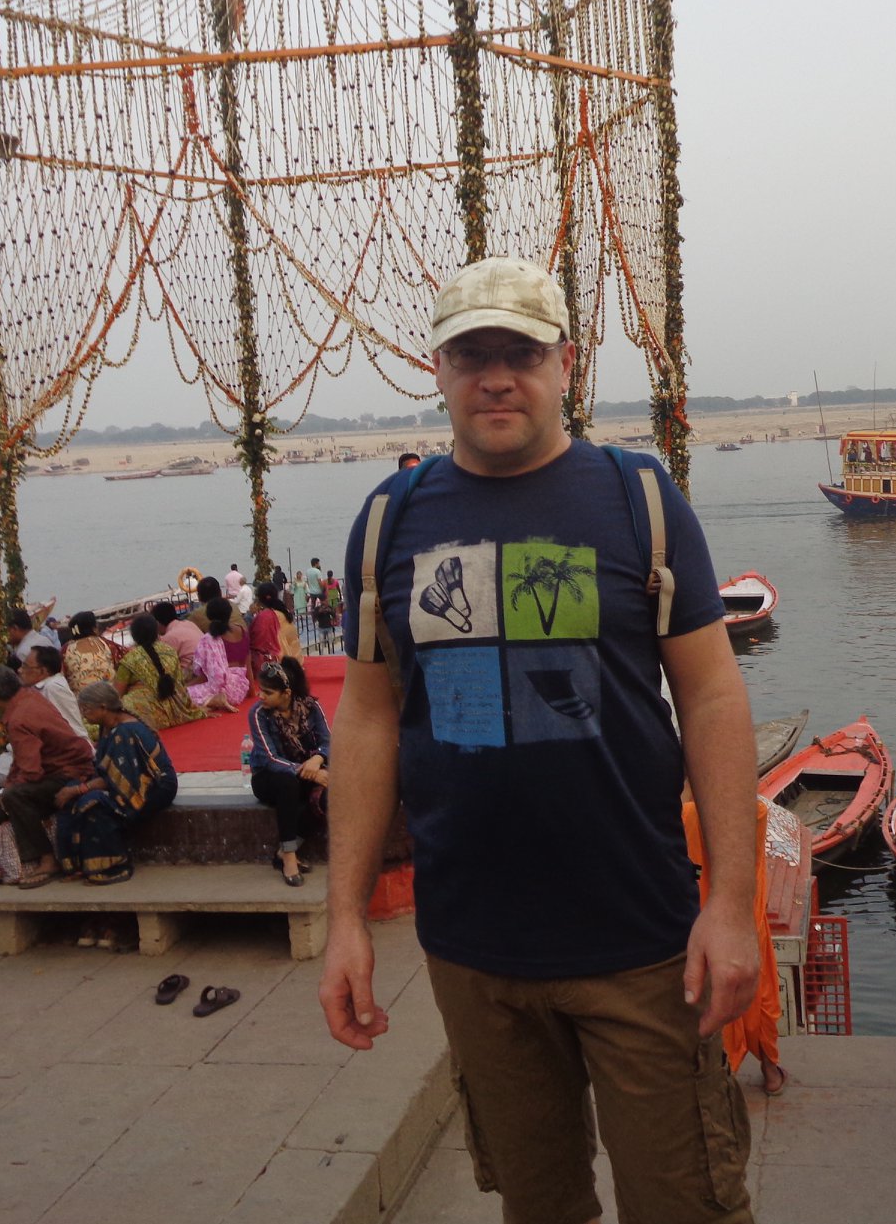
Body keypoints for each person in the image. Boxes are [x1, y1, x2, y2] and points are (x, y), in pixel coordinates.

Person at [319, 256, 760, 1223]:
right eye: (471, 355)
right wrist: (344, 915)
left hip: (641, 942)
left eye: (519, 353)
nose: (496, 378)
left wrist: (732, 904)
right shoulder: (391, 521)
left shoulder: (639, 499)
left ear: (566, 364)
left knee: (685, 1200)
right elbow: (368, 717)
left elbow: (712, 697)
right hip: (475, 953)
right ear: (438, 369)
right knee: (537, 1202)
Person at [0, 665, 95, 889]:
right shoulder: (29, 697)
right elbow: (22, 761)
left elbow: (30, 772)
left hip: (70, 773)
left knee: (13, 796)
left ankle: (46, 859)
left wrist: (7, 790)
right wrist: (7, 785)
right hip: (57, 770)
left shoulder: (19, 717)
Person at [683, 794, 784, 1095]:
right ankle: (770, 1070)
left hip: (696, 920)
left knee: (705, 997)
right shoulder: (752, 812)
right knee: (759, 994)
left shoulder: (676, 817)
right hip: (743, 921)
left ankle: (719, 1072)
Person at [55, 682, 179, 885]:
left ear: (103, 707)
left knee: (93, 803)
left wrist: (80, 789)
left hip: (154, 788)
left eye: (86, 709)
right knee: (70, 795)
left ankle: (112, 867)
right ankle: (76, 865)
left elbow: (119, 779)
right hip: (125, 782)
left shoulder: (125, 732)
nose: (84, 715)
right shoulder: (107, 726)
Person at [245, 658, 330, 886]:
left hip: (307, 769)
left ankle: (285, 851)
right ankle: (290, 857)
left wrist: (318, 759)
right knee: (287, 783)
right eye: (261, 690)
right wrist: (309, 771)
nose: (261, 696)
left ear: (286, 693)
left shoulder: (310, 707)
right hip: (269, 778)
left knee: (329, 793)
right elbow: (270, 758)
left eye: (268, 692)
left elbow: (328, 741)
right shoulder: (259, 714)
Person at [114, 613, 204, 731]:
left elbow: (116, 695)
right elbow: (180, 685)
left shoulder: (130, 659)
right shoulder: (170, 651)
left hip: (148, 717)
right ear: (156, 632)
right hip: (175, 711)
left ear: (134, 636)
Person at [186, 597, 248, 712]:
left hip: (223, 690)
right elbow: (247, 660)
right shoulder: (241, 630)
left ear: (208, 616)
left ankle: (213, 700)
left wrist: (186, 687)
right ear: (229, 613)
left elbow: (208, 676)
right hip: (241, 688)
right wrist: (251, 690)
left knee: (181, 697)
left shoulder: (209, 639)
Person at [19, 645, 88, 736]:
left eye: (25, 666)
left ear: (43, 671)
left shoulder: (54, 688)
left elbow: (72, 728)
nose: (20, 670)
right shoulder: (40, 688)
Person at [61, 611, 115, 695]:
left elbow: (61, 677)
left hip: (81, 699)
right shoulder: (107, 644)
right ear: (94, 628)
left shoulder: (65, 649)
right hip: (109, 696)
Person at [153, 599, 205, 678]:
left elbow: (164, 666)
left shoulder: (168, 638)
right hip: (205, 667)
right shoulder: (189, 623)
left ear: (157, 622)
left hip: (192, 674)